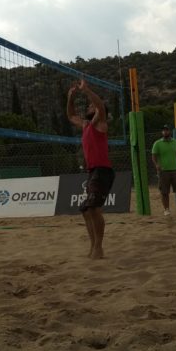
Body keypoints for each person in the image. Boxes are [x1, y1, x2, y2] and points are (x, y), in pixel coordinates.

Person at [67, 79, 115, 259]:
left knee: (93, 208)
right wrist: (70, 98)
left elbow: (100, 106)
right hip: (93, 171)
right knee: (86, 210)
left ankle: (98, 248)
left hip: (102, 171)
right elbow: (71, 116)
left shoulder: (100, 123)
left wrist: (86, 90)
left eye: (90, 106)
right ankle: (93, 246)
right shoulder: (86, 125)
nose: (88, 106)